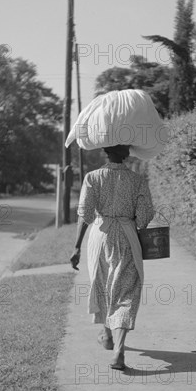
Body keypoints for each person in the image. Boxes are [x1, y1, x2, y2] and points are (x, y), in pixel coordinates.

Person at [66, 89, 167, 370]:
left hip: (99, 237)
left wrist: (76, 247)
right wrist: (132, 226)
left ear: (105, 151)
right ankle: (119, 349)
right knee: (126, 290)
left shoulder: (92, 178)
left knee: (103, 283)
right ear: (128, 153)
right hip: (127, 235)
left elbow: (84, 214)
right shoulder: (138, 181)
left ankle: (107, 334)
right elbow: (146, 215)